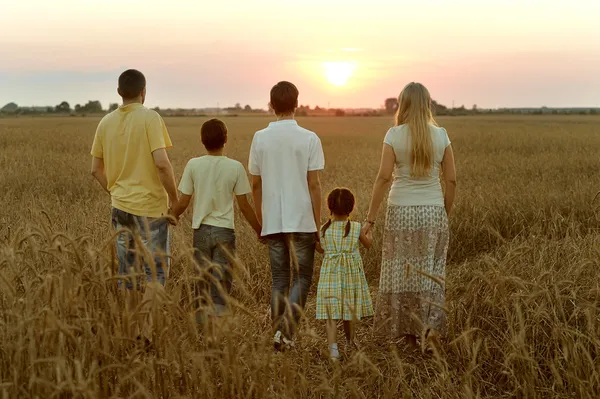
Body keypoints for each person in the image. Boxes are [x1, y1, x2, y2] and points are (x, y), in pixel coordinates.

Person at [364, 82, 457, 350]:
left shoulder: (394, 134)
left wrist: (369, 220)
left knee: (400, 272)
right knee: (431, 273)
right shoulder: (441, 135)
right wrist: (443, 212)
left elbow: (383, 178)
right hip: (432, 210)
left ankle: (405, 333)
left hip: (400, 210)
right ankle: (428, 335)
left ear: (402, 104)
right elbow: (451, 180)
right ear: (427, 104)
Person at [90, 69, 179, 342]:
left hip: (120, 208)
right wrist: (174, 200)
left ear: (119, 92)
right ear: (144, 91)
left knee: (128, 272)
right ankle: (146, 332)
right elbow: (162, 163)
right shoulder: (151, 118)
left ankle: (130, 332)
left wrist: (115, 190)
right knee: (155, 274)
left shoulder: (105, 122)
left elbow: (95, 169)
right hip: (150, 209)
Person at [248, 81, 325, 351]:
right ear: (296, 104)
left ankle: (277, 333)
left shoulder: (259, 138)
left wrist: (261, 221)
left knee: (279, 279)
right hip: (303, 220)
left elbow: (255, 185)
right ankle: (286, 333)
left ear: (271, 105)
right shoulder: (309, 138)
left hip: (273, 222)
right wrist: (318, 225)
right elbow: (314, 185)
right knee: (302, 278)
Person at [170, 118, 262, 322]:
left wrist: (171, 216)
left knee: (201, 282)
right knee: (220, 283)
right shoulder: (235, 167)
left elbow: (183, 201)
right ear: (225, 139)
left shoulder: (193, 164)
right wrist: (259, 230)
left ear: (202, 140)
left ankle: (202, 332)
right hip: (224, 233)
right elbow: (244, 206)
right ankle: (218, 332)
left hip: (201, 232)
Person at [315, 188, 374, 361]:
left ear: (330, 207)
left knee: (331, 315)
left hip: (330, 276)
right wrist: (368, 229)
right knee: (349, 312)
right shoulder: (356, 228)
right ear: (351, 207)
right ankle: (350, 341)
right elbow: (368, 244)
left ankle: (333, 350)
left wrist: (313, 242)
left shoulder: (323, 230)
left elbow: (320, 250)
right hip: (350, 277)